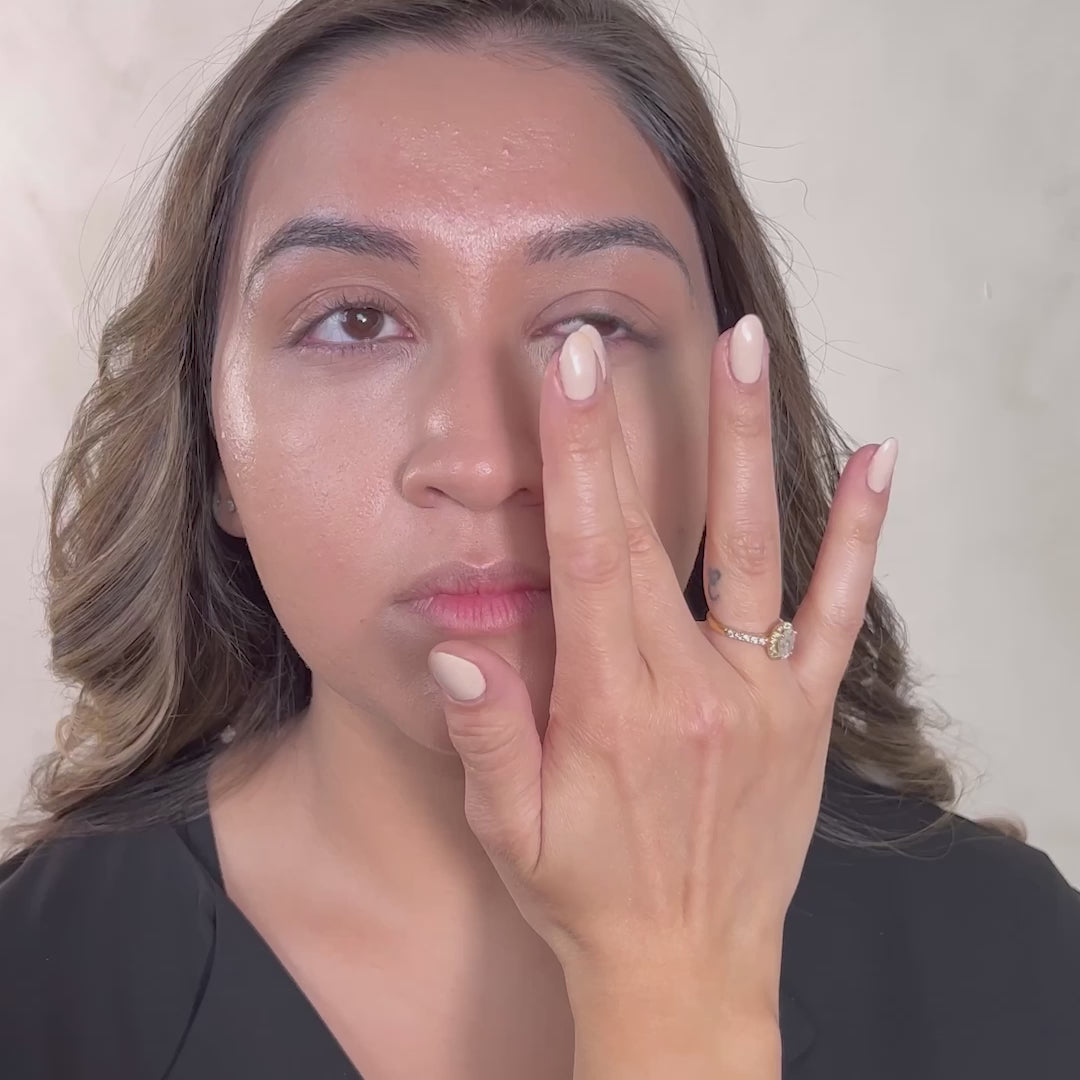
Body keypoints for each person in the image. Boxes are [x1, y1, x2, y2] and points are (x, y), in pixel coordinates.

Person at [1, 0, 1077, 1077]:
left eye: (593, 324)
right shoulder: (34, 985)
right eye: (355, 322)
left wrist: (678, 986)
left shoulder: (1017, 961)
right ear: (210, 445)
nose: (483, 461)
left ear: (725, 407)